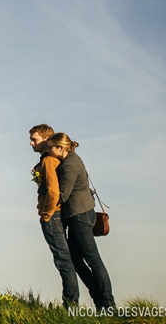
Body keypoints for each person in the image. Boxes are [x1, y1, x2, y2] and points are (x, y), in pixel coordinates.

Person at [47, 132, 116, 310]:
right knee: (77, 260)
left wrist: (44, 194)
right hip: (78, 215)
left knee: (93, 259)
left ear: (60, 148)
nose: (47, 151)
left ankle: (107, 303)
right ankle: (99, 297)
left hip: (80, 215)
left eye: (50, 148)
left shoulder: (70, 165)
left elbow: (63, 194)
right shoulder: (71, 160)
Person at [29, 124, 79, 306]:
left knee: (63, 260)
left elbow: (53, 190)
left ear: (46, 139)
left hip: (54, 215)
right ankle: (72, 303)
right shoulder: (48, 159)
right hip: (58, 214)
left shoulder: (49, 161)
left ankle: (71, 305)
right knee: (66, 260)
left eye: (34, 139)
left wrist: (46, 214)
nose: (30, 143)